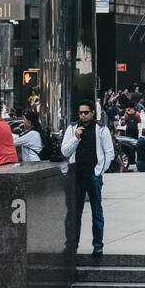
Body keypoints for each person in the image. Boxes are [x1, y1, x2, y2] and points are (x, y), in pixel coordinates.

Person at [61, 101, 114, 257]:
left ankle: (98, 245)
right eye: (80, 112)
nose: (83, 115)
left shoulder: (101, 129)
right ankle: (72, 244)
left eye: (86, 112)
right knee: (74, 213)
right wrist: (76, 138)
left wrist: (99, 172)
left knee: (96, 211)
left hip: (93, 176)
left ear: (92, 113)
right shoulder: (72, 129)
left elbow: (109, 153)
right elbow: (65, 151)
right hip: (76, 176)